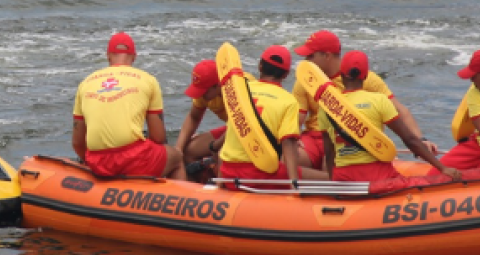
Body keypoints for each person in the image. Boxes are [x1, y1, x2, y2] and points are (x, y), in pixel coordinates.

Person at [292, 29, 429, 171]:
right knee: (289, 159)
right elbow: (296, 119)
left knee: (331, 164)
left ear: (326, 56)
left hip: (352, 138)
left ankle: (325, 178)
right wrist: (292, 140)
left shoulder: (364, 78)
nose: (305, 61)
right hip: (315, 137)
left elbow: (400, 111)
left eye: (310, 56)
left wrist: (421, 140)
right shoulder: (305, 81)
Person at [319, 51, 459, 189]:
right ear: (365, 76)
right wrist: (442, 168)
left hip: (344, 179)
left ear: (341, 74)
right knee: (424, 185)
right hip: (377, 176)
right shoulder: (379, 100)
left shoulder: (327, 107)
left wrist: (335, 186)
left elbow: (329, 152)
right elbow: (410, 140)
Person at [72, 32, 184, 179]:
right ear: (134, 56)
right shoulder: (148, 80)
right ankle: (179, 193)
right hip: (132, 158)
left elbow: (77, 142)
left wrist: (88, 161)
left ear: (108, 56)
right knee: (177, 158)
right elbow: (158, 137)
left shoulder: (86, 83)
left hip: (97, 161)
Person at [217, 46, 304, 184]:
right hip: (259, 177)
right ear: (286, 75)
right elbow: (288, 144)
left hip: (227, 172)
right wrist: (294, 185)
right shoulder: (289, 101)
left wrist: (220, 181)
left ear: (260, 66)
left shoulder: (239, 91)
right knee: (314, 177)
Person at [174, 59, 228, 180]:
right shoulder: (205, 93)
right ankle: (202, 184)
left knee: (223, 154)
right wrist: (179, 149)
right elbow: (194, 117)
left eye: (204, 91)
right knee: (188, 151)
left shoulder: (235, 92)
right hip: (231, 128)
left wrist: (215, 145)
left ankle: (219, 183)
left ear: (217, 85)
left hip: (247, 130)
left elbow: (240, 126)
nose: (200, 95)